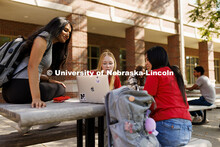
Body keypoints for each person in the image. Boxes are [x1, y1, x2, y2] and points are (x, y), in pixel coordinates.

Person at [2, 17, 73, 132]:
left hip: (12, 90)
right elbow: (32, 67)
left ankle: (27, 122)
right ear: (56, 27)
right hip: (18, 89)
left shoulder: (47, 41)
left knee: (57, 86)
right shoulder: (43, 38)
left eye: (69, 32)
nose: (67, 35)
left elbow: (32, 70)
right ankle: (47, 120)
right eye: (65, 30)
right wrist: (36, 98)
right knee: (60, 89)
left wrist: (49, 80)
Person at [143, 46, 192, 146]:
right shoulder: (176, 74)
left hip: (168, 126)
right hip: (187, 127)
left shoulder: (154, 74)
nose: (146, 63)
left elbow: (145, 101)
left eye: (147, 60)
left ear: (155, 58)